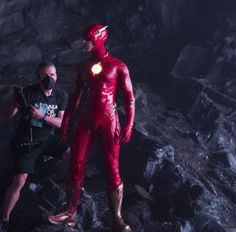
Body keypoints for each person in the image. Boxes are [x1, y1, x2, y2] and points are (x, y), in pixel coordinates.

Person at [48, 24, 135, 232]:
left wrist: (130, 123)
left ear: (98, 38)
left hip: (109, 120)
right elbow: (74, 97)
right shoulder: (82, 66)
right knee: (76, 164)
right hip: (86, 119)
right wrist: (67, 120)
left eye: (87, 39)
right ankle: (71, 212)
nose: (84, 43)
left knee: (112, 167)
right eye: (84, 39)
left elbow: (129, 98)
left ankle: (117, 218)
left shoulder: (118, 66)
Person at [0, 62, 70, 232]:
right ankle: (4, 219)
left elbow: (61, 123)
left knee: (73, 155)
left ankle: (72, 196)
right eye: (46, 75)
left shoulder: (61, 96)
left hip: (49, 138)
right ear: (39, 77)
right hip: (29, 140)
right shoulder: (28, 92)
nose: (50, 78)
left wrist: (42, 116)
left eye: (52, 74)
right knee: (19, 181)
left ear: (56, 76)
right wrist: (15, 103)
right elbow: (10, 115)